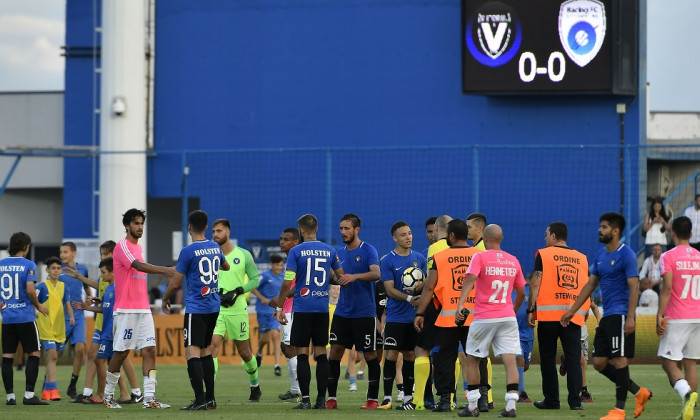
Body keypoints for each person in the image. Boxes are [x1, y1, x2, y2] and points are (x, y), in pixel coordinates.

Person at [562, 212, 651, 420]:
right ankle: (639, 393)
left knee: (619, 360)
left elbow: (634, 286)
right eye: (600, 226)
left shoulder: (626, 254)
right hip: (607, 316)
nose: (599, 230)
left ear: (615, 231)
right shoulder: (601, 255)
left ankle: (619, 411)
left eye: (603, 227)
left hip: (621, 315)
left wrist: (631, 317)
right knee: (600, 363)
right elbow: (590, 284)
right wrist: (572, 310)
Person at [102, 208, 174, 409]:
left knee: (150, 350)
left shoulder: (138, 248)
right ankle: (108, 397)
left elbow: (139, 264)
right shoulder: (122, 246)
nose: (140, 227)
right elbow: (137, 266)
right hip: (126, 310)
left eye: (142, 223)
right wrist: (165, 270)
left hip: (143, 309)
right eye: (136, 223)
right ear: (127, 226)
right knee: (122, 353)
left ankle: (149, 399)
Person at [274, 214, 345, 409]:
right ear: (316, 229)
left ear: (302, 231)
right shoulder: (330, 251)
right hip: (322, 310)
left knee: (303, 353)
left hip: (302, 309)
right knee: (321, 354)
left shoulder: (296, 252)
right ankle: (321, 400)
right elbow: (341, 278)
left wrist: (280, 307)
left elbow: (288, 281)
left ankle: (305, 400)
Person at [161, 210, 230, 410]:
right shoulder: (215, 247)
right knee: (207, 351)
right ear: (207, 227)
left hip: (197, 306)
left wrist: (165, 299)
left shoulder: (188, 251)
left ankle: (199, 401)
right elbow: (225, 267)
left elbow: (175, 283)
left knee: (192, 352)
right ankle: (211, 399)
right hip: (213, 306)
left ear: (189, 227)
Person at [455, 224, 526, 418]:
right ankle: (511, 405)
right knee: (510, 360)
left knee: (473, 359)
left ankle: (472, 406)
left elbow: (470, 279)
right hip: (507, 316)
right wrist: (512, 309)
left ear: (485, 239)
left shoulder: (480, 256)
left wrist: (461, 303)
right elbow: (521, 292)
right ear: (501, 239)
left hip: (485, 317)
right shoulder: (513, 260)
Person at [64, 240, 142, 404]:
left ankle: (125, 392)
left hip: (112, 322)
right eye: (101, 254)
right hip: (103, 318)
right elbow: (100, 287)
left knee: (113, 357)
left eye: (105, 254)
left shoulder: (118, 275)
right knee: (104, 357)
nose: (103, 257)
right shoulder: (107, 278)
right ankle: (121, 393)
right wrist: (82, 281)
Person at [415, 219, 479, 412]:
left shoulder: (440, 256)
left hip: (448, 317)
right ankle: (482, 399)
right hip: (474, 316)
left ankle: (444, 400)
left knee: (445, 359)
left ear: (451, 236)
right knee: (476, 357)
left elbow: (429, 287)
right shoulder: (479, 255)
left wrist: (420, 312)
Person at [527, 222, 588, 411]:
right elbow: (587, 288)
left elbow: (535, 283)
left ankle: (552, 401)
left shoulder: (544, 255)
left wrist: (531, 310)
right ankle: (575, 402)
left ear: (553, 236)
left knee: (547, 358)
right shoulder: (582, 258)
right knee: (573, 359)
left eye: (546, 235)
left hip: (548, 316)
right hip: (572, 316)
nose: (545, 238)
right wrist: (583, 313)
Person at [325, 213, 381, 410]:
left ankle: (372, 400)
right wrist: (331, 277)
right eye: (341, 228)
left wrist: (354, 277)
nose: (343, 232)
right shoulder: (338, 253)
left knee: (370, 355)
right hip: (342, 313)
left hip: (364, 314)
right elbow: (335, 278)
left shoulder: (368, 250)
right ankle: (331, 398)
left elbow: (376, 273)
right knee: (335, 354)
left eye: (346, 228)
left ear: (357, 229)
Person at [208, 218, 261, 402]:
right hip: (216, 310)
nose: (215, 235)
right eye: (213, 231)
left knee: (245, 353)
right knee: (212, 347)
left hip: (238, 311)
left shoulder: (244, 255)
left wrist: (239, 290)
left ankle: (255, 385)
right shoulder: (210, 255)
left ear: (228, 233)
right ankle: (209, 394)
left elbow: (255, 280)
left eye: (219, 231)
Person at [378, 221, 426, 410]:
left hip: (413, 318)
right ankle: (387, 397)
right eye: (403, 235)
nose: (408, 237)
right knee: (390, 355)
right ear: (395, 238)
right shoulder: (388, 260)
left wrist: (420, 297)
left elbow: (424, 284)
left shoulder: (419, 258)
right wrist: (409, 298)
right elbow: (389, 290)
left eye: (410, 233)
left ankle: (407, 397)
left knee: (409, 355)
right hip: (396, 318)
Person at [657, 216, 700, 420]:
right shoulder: (699, 256)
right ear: (691, 234)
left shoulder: (668, 256)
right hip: (697, 316)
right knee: (691, 363)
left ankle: (688, 395)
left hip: (677, 316)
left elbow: (667, 288)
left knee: (668, 363)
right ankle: (689, 406)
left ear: (672, 232)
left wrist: (659, 314)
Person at [1, 232, 50, 406]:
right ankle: (29, 395)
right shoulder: (28, 265)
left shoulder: (0, 265)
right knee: (34, 353)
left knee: (7, 357)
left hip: (7, 318)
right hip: (25, 317)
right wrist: (39, 306)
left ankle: (10, 397)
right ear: (25, 247)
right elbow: (30, 289)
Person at [411, 215, 451, 411]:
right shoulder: (464, 249)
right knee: (453, 351)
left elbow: (431, 283)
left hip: (436, 304)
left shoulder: (435, 249)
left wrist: (419, 300)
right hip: (456, 306)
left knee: (422, 349)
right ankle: (450, 399)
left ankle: (418, 400)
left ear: (437, 228)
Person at [72, 258, 117, 406]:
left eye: (104, 272)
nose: (102, 276)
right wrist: (87, 308)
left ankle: (102, 394)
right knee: (108, 362)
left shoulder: (117, 288)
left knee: (102, 360)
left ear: (112, 271)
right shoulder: (109, 289)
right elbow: (104, 309)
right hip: (106, 330)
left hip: (112, 331)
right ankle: (107, 394)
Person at [36, 256, 75, 401]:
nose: (56, 271)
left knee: (54, 357)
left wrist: (71, 317)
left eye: (58, 268)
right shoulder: (41, 286)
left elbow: (68, 304)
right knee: (52, 355)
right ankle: (54, 389)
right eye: (53, 268)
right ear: (47, 270)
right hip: (46, 327)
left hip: (59, 327)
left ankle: (46, 390)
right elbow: (34, 301)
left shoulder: (64, 286)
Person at [466, 212, 494, 410]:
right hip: (482, 310)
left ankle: (482, 398)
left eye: (469, 227)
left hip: (481, 310)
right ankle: (485, 399)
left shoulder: (481, 252)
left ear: (480, 229)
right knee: (479, 356)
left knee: (478, 356)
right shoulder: (478, 249)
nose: (467, 230)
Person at [272, 227, 302, 402]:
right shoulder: (292, 258)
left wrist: (281, 299)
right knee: (287, 347)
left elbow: (299, 285)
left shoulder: (297, 257)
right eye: (281, 239)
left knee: (290, 347)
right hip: (288, 309)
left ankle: (298, 390)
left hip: (294, 310)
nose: (281, 242)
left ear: (295, 241)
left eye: (286, 239)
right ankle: (295, 389)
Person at [59, 241, 90, 399]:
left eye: (65, 252)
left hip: (78, 315)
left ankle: (72, 386)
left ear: (74, 253)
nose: (62, 255)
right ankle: (47, 383)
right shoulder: (58, 271)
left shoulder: (82, 269)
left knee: (80, 349)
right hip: (61, 316)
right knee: (55, 352)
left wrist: (90, 298)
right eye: (61, 252)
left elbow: (87, 289)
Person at [251, 254, 285, 375]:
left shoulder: (284, 276)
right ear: (272, 265)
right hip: (263, 311)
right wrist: (262, 298)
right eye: (277, 265)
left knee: (276, 334)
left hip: (276, 311)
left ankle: (277, 365)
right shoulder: (264, 276)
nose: (279, 268)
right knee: (264, 338)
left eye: (281, 265)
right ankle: (259, 352)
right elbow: (252, 287)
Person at [515, 277, 534, 403]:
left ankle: (514, 381)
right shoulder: (505, 291)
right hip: (512, 332)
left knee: (525, 365)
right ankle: (521, 393)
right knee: (520, 360)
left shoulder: (529, 290)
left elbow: (534, 306)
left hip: (528, 333)